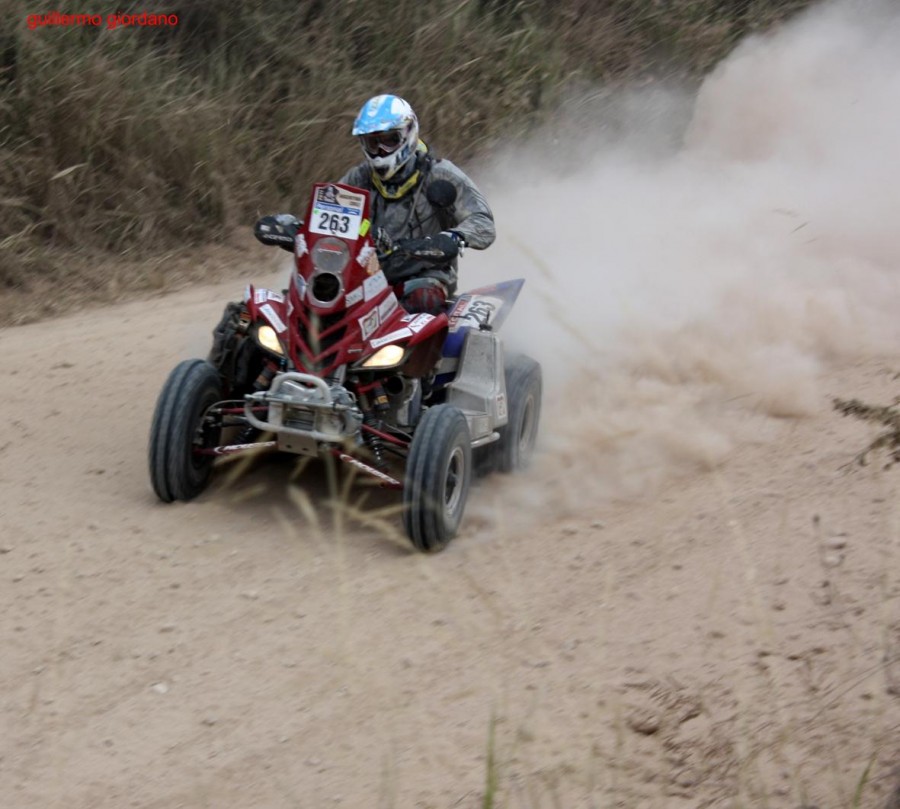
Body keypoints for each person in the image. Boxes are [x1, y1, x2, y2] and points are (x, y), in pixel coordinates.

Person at [338, 93, 495, 314]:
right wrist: (291, 227)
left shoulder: (441, 174)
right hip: (365, 275)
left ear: (408, 133)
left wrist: (452, 238)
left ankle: (429, 348)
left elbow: (483, 223)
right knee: (317, 291)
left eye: (389, 139)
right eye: (373, 143)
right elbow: (326, 216)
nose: (380, 151)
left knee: (424, 300)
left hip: (423, 277)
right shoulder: (358, 178)